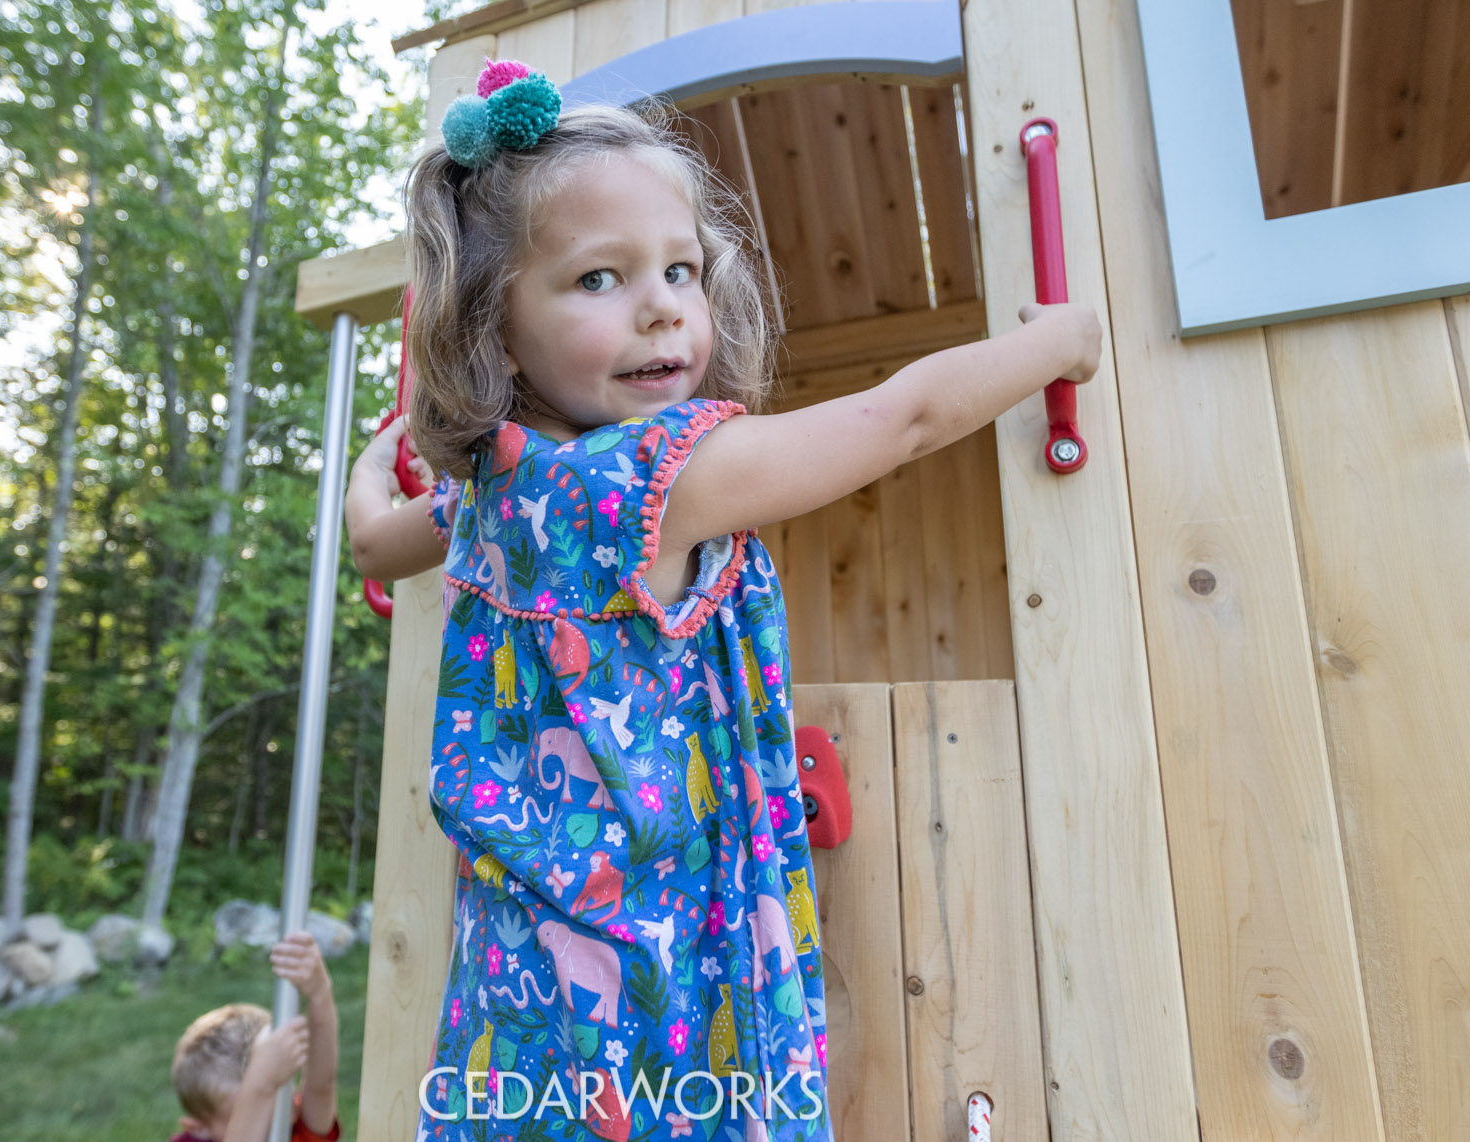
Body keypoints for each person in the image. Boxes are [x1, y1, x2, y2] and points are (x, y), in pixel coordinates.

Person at [345, 59, 1103, 1141]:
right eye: (598, 279)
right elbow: (902, 420)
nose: (660, 306)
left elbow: (375, 542)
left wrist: (371, 468)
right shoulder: (652, 477)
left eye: (680, 269)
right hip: (653, 980)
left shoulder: (494, 495)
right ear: (496, 325)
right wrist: (1059, 341)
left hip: (514, 982)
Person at [168, 932, 342, 1142]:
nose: (271, 1123)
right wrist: (261, 1083)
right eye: (246, 1110)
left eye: (282, 1103)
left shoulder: (297, 1132)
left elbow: (321, 1084)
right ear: (199, 1129)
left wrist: (320, 993)